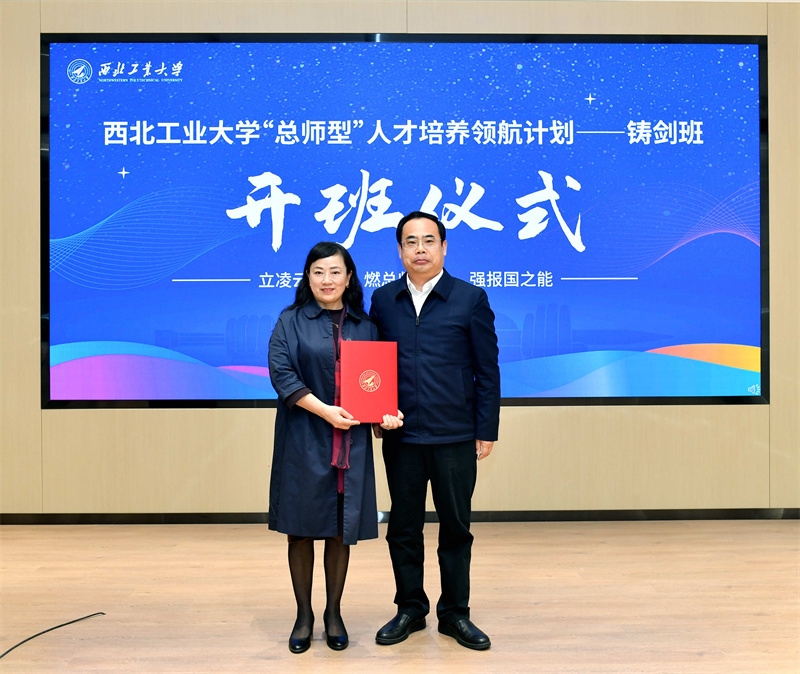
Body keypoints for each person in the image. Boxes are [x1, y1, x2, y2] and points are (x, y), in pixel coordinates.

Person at [369, 211, 501, 651]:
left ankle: (455, 613)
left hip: (455, 435)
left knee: (456, 528)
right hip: (402, 436)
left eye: (429, 240)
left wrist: (486, 428)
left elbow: (487, 370)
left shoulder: (470, 298)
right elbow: (374, 367)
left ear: (444, 247)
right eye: (411, 242)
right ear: (399, 250)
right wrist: (376, 415)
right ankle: (410, 608)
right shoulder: (383, 300)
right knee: (403, 528)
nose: (420, 249)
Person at [268, 241, 403, 654]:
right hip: (303, 438)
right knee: (301, 528)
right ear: (307, 277)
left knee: (341, 529)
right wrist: (325, 411)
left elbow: (376, 386)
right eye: (318, 272)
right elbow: (282, 374)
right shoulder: (290, 320)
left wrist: (384, 417)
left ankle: (333, 613)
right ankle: (303, 615)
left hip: (350, 444)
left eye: (335, 272)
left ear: (349, 277)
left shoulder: (366, 325)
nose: (326, 280)